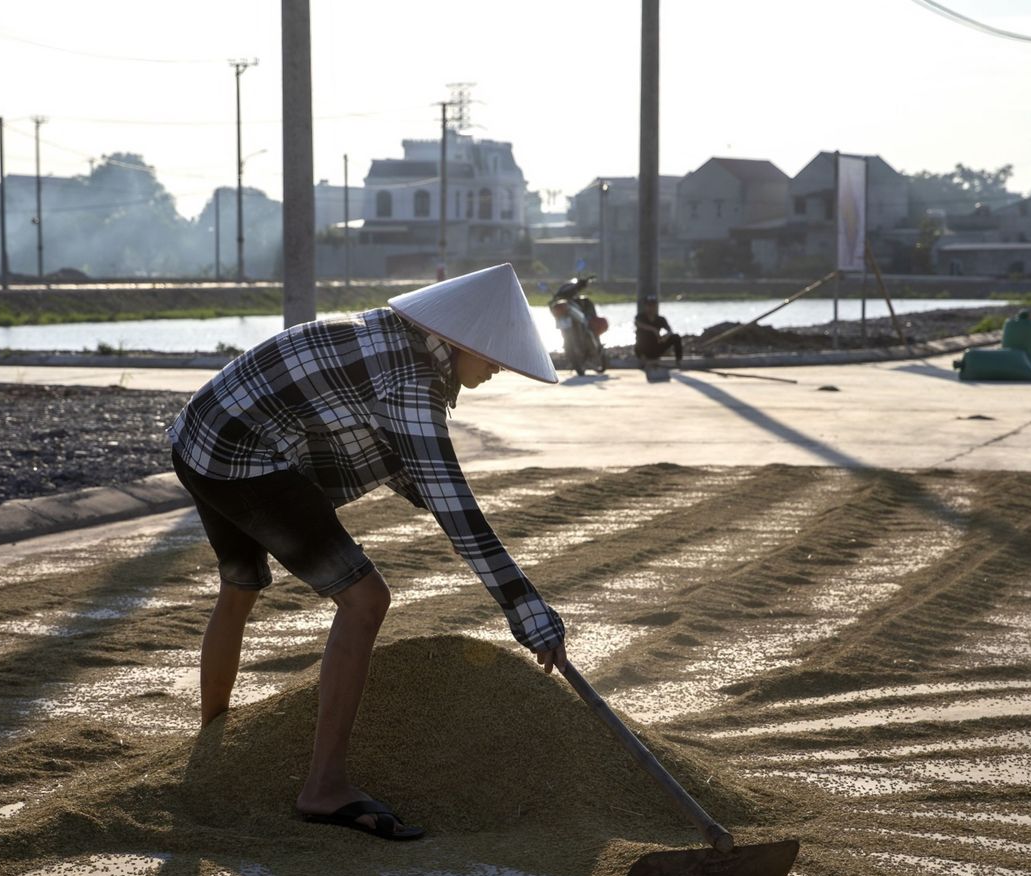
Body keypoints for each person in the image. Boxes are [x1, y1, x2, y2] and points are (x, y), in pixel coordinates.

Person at [167, 264, 567, 842]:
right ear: (457, 340)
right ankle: (324, 788)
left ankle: (213, 743)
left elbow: (399, 460)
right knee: (365, 599)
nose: (500, 367)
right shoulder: (411, 383)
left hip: (199, 437)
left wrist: (436, 498)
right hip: (241, 460)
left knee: (241, 588)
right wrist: (529, 615)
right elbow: (458, 512)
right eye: (494, 354)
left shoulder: (389, 332)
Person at [634, 295, 683, 365]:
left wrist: (666, 336)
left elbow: (670, 330)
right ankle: (642, 360)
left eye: (653, 305)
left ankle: (678, 361)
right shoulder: (640, 317)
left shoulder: (661, 319)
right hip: (643, 349)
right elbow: (638, 324)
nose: (651, 308)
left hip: (656, 348)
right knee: (640, 337)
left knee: (676, 337)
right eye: (649, 305)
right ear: (645, 306)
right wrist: (653, 329)